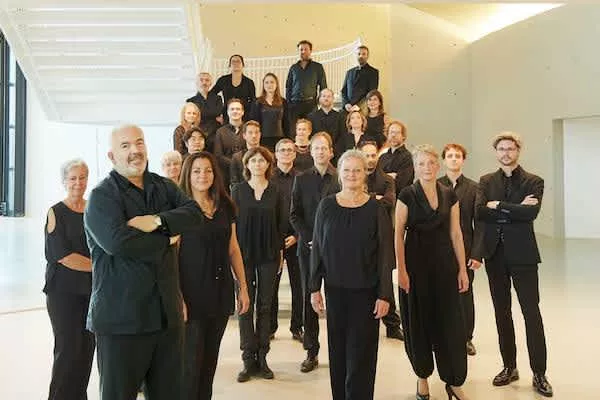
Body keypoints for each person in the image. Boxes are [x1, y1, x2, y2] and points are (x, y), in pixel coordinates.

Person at [84, 124, 204, 400]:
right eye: (125, 146)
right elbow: (118, 243)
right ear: (112, 156)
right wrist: (167, 238)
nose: (135, 151)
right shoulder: (102, 196)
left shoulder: (165, 187)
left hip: (166, 318)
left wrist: (156, 221)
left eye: (139, 143)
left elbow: (194, 214)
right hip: (122, 321)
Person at [310, 150, 393, 400]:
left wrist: (385, 295)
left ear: (365, 173)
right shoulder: (326, 205)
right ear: (340, 174)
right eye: (346, 170)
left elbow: (385, 254)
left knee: (362, 354)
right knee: (337, 352)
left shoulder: (376, 208)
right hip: (335, 290)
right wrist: (314, 288)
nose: (352, 175)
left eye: (357, 170)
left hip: (367, 292)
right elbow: (318, 247)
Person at [475, 132, 553, 397]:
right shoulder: (486, 181)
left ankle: (539, 373)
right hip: (495, 255)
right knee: (502, 312)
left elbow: (531, 213)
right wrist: (514, 209)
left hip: (524, 256)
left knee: (531, 313)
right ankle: (509, 367)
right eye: (501, 149)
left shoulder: (534, 181)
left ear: (518, 151)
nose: (506, 153)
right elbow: (480, 211)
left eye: (510, 148)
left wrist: (498, 205)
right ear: (495, 152)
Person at [395, 145, 470, 400]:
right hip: (415, 266)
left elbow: (456, 233)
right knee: (419, 322)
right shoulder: (407, 194)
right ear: (415, 167)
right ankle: (422, 378)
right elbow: (398, 234)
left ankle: (453, 380)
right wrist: (401, 271)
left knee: (450, 323)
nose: (427, 168)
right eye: (421, 164)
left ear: (438, 165)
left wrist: (462, 269)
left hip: (445, 265)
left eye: (431, 163)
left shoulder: (449, 194)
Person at [178, 151, 250, 400]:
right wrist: (177, 296)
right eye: (197, 171)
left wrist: (243, 287)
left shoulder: (225, 206)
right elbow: (171, 257)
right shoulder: (179, 210)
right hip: (190, 295)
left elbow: (233, 248)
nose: (203, 175)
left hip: (219, 293)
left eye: (208, 170)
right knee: (190, 367)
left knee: (209, 364)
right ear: (188, 175)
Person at [231, 146, 286, 382]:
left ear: (268, 164)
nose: (257, 164)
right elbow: (232, 224)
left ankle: (263, 357)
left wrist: (281, 253)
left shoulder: (276, 191)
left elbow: (281, 224)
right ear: (247, 164)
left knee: (265, 305)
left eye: (261, 160)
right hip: (243, 255)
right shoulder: (237, 190)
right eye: (253, 160)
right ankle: (247, 359)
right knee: (245, 305)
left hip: (269, 254)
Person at [44, 159, 95, 400]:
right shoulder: (56, 212)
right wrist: (99, 266)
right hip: (63, 293)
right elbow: (63, 256)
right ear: (64, 181)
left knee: (86, 350)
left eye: (82, 177)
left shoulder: (93, 210)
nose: (78, 183)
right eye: (73, 178)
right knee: (67, 350)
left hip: (91, 291)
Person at [290, 132, 340, 373]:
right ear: (310, 152)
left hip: (336, 248)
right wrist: (310, 238)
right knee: (310, 296)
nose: (320, 151)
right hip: (308, 247)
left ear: (331, 152)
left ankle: (338, 351)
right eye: (316, 148)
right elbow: (294, 214)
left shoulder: (340, 177)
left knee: (336, 298)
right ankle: (311, 351)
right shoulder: (301, 179)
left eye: (324, 148)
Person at [438, 143, 483, 356]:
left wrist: (477, 254)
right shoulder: (435, 185)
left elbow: (479, 223)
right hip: (439, 248)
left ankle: (466, 338)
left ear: (463, 160)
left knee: (464, 292)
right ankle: (443, 335)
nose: (454, 159)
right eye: (450, 156)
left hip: (465, 248)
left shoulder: (474, 188)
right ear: (444, 160)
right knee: (441, 292)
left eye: (457, 156)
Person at [358, 141, 404, 341]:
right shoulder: (355, 176)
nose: (370, 159)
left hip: (382, 234)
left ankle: (392, 325)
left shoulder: (387, 180)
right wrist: (374, 198)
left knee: (385, 280)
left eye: (372, 155)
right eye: (366, 155)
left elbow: (388, 201)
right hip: (359, 236)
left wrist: (366, 198)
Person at [269, 138, 303, 342]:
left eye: (290, 150)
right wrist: (277, 239)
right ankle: (270, 327)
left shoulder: (302, 178)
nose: (286, 153)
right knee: (271, 286)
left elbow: (307, 209)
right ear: (276, 154)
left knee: (299, 286)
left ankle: (297, 327)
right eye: (282, 150)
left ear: (295, 154)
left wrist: (297, 236)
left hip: (297, 238)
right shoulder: (268, 178)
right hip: (274, 240)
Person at [286, 40, 327, 135]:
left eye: (305, 49)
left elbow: (323, 86)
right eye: (301, 49)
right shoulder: (293, 68)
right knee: (295, 132)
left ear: (310, 51)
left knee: (311, 130)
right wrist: (289, 103)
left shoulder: (318, 67)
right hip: (295, 105)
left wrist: (319, 101)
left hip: (311, 105)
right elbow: (288, 87)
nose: (303, 51)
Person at [211, 55, 256, 123]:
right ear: (230, 65)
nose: (236, 63)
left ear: (243, 65)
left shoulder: (249, 82)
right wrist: (218, 112)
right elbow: (212, 94)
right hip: (227, 115)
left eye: (238, 61)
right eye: (233, 62)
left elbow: (253, 101)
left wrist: (250, 115)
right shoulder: (223, 80)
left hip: (244, 116)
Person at [249, 73, 288, 152]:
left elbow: (287, 122)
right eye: (266, 82)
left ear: (276, 84)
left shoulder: (283, 102)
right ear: (263, 85)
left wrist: (288, 139)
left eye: (272, 82)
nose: (269, 85)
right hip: (263, 139)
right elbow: (254, 122)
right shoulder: (257, 102)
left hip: (280, 139)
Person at [186, 72, 224, 152]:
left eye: (207, 80)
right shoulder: (191, 101)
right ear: (197, 83)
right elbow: (214, 113)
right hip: (199, 134)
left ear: (210, 83)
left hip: (215, 134)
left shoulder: (218, 98)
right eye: (201, 80)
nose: (204, 83)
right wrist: (213, 116)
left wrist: (201, 113)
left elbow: (218, 111)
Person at [379, 121, 414, 197]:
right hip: (381, 199)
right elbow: (376, 182)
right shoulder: (382, 157)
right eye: (391, 132)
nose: (393, 135)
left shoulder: (407, 157)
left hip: (399, 199)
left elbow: (401, 185)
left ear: (403, 136)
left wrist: (383, 177)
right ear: (387, 135)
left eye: (397, 133)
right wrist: (390, 177)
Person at [341, 45, 379, 114]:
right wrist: (346, 104)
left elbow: (371, 93)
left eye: (363, 54)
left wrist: (358, 106)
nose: (361, 56)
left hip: (363, 109)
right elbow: (343, 91)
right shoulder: (349, 72)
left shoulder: (373, 72)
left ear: (367, 56)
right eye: (358, 54)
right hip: (348, 109)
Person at [230, 121, 262, 188]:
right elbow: (234, 182)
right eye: (250, 133)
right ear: (244, 136)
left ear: (260, 134)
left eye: (256, 132)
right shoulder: (237, 157)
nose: (254, 136)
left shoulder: (268, 155)